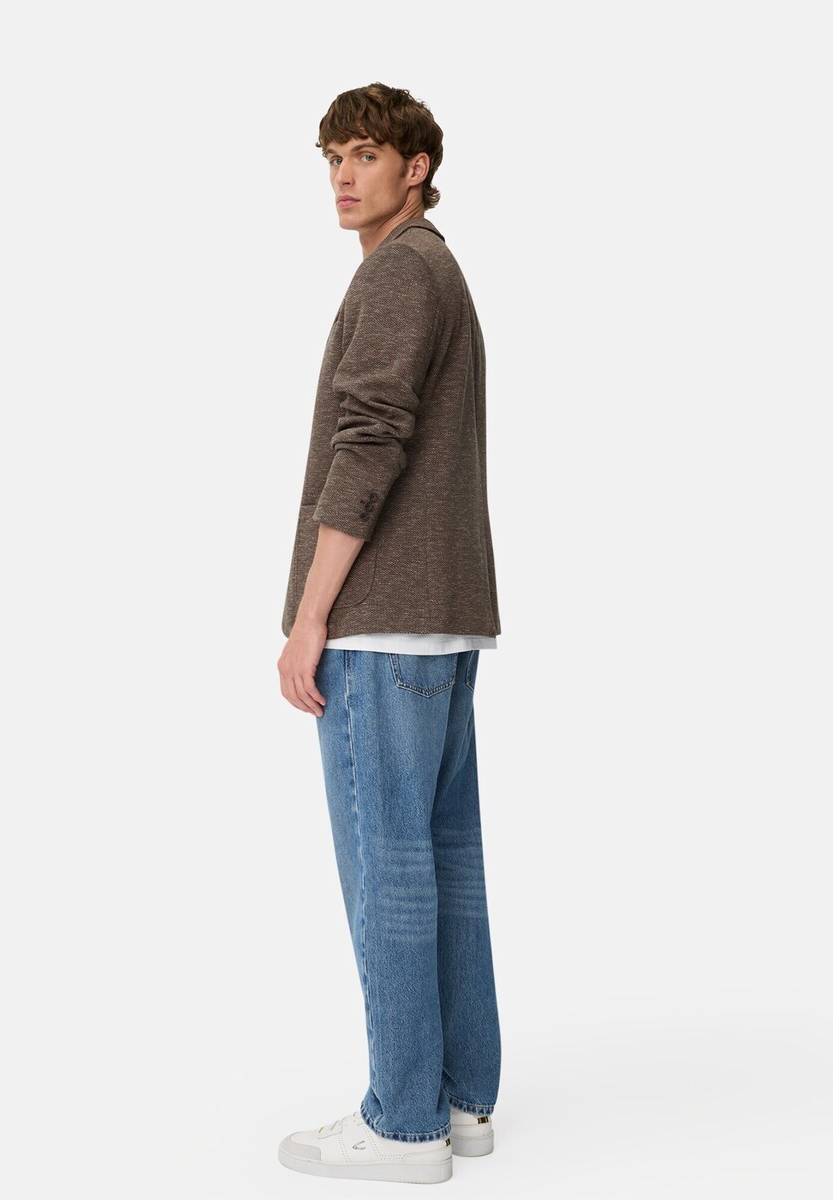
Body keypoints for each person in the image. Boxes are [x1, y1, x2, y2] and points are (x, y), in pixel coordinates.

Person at [276, 82, 502, 1185]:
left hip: (381, 621)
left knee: (390, 875)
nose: (343, 175)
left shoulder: (402, 272)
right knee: (442, 863)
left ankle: (403, 1124)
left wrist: (310, 616)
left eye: (365, 154)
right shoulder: (433, 269)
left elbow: (369, 440)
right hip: (441, 620)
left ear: (416, 168)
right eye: (332, 156)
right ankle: (459, 1101)